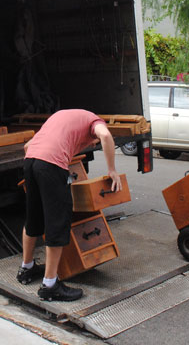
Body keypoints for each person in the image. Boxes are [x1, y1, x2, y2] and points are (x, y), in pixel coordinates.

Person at [17, 109, 122, 302]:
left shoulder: (64, 116)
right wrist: (112, 170)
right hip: (50, 165)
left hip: (30, 162)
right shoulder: (94, 121)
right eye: (93, 142)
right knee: (57, 222)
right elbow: (105, 135)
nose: (92, 143)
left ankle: (27, 268)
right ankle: (50, 285)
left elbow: (28, 146)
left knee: (34, 218)